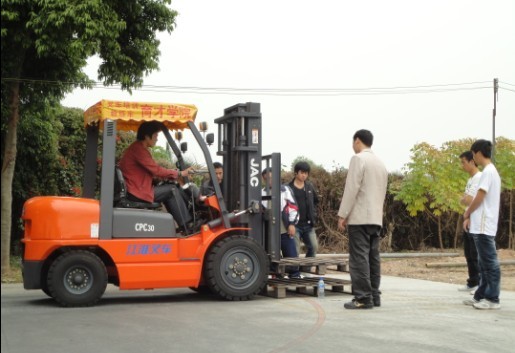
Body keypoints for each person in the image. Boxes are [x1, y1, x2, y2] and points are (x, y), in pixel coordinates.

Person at [337, 129, 388, 310]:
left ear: (357, 141)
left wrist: (343, 214)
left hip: (359, 217)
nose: (352, 146)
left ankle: (363, 298)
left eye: (353, 142)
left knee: (359, 259)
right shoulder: (380, 163)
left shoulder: (358, 159)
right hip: (375, 218)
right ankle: (374, 295)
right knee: (373, 257)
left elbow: (351, 189)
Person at [118, 121, 195, 232]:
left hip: (136, 188)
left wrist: (171, 174)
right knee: (171, 190)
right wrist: (180, 173)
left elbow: (152, 171)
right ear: (147, 136)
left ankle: (184, 223)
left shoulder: (138, 148)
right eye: (155, 136)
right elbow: (156, 170)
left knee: (169, 186)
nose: (157, 139)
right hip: (137, 192)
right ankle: (188, 226)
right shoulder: (139, 150)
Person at [462, 139, 501, 310]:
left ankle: (492, 299)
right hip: (481, 225)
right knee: (484, 263)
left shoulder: (488, 172)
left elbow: (480, 196)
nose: (473, 158)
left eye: (472, 154)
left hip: (485, 224)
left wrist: (468, 211)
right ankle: (481, 296)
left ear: (478, 153)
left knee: (489, 263)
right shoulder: (489, 171)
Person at [262, 168, 301, 278]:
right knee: (273, 257)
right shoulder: (261, 192)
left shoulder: (285, 190)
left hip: (284, 227)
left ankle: (295, 276)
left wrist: (292, 224)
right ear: (263, 179)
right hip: (269, 230)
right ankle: (277, 277)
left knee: (291, 255)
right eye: (267, 178)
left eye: (271, 177)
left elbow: (293, 207)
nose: (270, 180)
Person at [288, 161, 319, 272]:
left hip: (308, 224)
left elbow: (316, 201)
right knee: (295, 251)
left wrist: (313, 214)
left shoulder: (309, 186)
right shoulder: (288, 188)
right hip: (294, 225)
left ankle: (306, 270)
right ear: (296, 173)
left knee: (314, 247)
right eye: (302, 173)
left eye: (306, 173)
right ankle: (295, 273)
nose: (304, 175)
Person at [458, 150, 481, 294]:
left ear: (472, 161)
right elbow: (464, 199)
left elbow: (469, 199)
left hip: (476, 220)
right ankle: (472, 281)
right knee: (468, 253)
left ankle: (479, 283)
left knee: (475, 253)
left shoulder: (479, 177)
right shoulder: (470, 179)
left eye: (464, 162)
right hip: (468, 218)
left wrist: (465, 198)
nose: (462, 166)